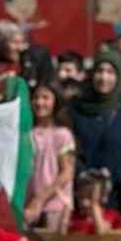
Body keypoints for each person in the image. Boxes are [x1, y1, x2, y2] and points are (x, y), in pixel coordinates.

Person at [70, 45, 121, 200]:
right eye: (99, 71)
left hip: (118, 194)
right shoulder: (77, 108)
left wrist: (114, 177)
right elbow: (71, 149)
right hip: (81, 193)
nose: (104, 78)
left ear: (119, 76)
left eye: (110, 72)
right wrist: (83, 175)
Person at [25, 80, 75, 232]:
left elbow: (67, 172)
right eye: (36, 97)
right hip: (28, 205)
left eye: (46, 98)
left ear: (55, 102)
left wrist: (40, 199)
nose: (40, 102)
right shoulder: (27, 134)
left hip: (54, 205)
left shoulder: (62, 134)